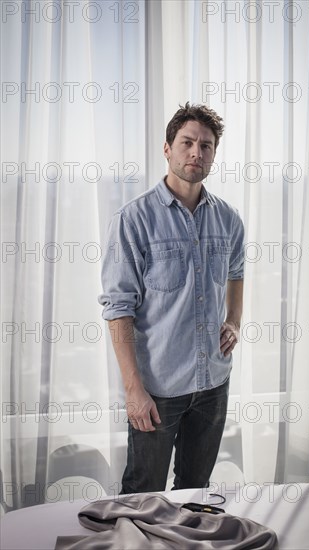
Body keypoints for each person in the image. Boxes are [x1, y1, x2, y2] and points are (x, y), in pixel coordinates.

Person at [98, 102, 245, 494]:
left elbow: (237, 271)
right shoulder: (134, 220)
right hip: (157, 390)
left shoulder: (229, 219)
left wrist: (234, 320)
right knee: (143, 494)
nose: (197, 152)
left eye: (207, 146)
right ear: (167, 149)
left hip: (213, 383)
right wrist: (133, 389)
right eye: (187, 143)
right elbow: (118, 309)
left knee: (196, 491)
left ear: (214, 154)